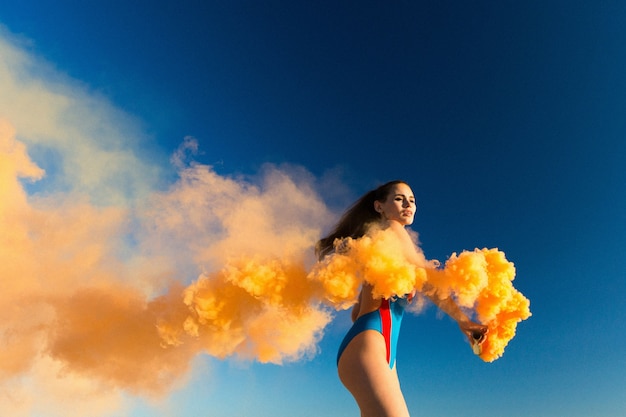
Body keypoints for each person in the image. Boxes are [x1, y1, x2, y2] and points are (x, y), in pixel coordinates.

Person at [316, 180, 488, 417]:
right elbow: (427, 282)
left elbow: (356, 313)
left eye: (413, 200)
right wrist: (462, 320)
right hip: (372, 346)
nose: (409, 204)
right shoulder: (393, 229)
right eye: (399, 198)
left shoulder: (380, 245)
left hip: (372, 347)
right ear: (379, 206)